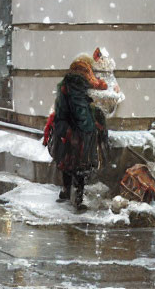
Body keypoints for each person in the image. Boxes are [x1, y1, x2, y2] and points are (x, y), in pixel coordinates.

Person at [45, 58, 108, 210]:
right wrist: (93, 124)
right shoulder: (77, 85)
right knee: (80, 164)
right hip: (76, 132)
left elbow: (63, 107)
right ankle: (79, 198)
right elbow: (80, 112)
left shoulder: (65, 84)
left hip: (64, 128)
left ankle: (66, 191)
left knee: (66, 162)